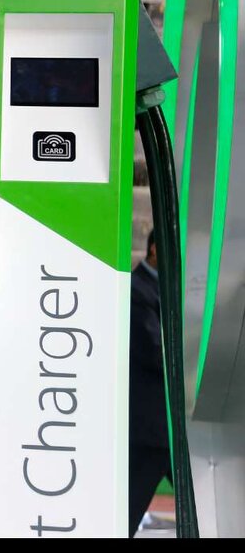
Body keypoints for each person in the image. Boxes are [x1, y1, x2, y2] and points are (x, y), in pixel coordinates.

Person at [128, 230, 171, 537]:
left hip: (164, 428)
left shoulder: (160, 289)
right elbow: (156, 353)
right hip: (150, 428)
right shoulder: (137, 289)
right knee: (128, 509)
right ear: (154, 249)